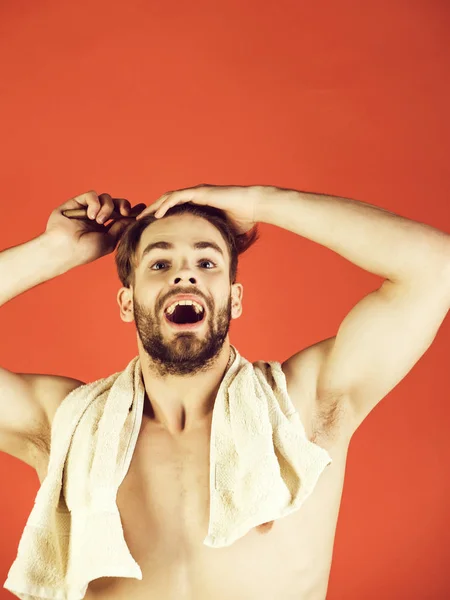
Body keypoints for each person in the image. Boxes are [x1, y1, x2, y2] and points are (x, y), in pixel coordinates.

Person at [1, 184, 449, 600]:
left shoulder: (303, 409)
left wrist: (260, 202)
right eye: (159, 264)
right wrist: (52, 251)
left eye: (206, 262)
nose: (184, 276)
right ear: (127, 302)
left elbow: (436, 268)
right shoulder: (67, 425)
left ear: (234, 298)